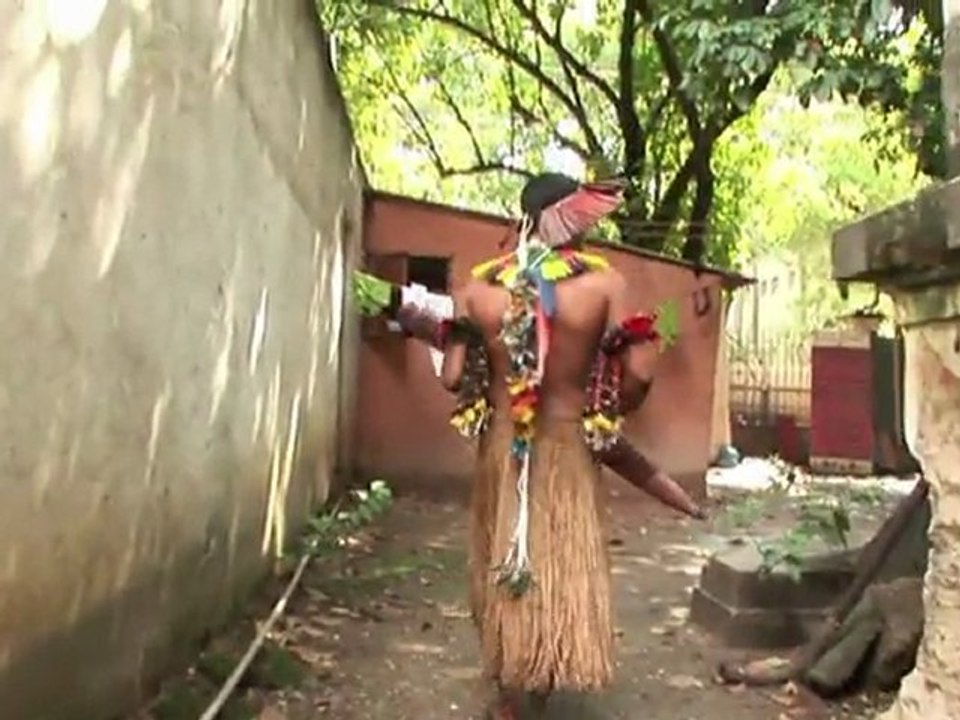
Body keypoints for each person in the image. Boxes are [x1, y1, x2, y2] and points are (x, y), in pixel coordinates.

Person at [435, 173, 681, 718]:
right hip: (569, 441)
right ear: (572, 218)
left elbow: (452, 377)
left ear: (525, 219)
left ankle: (509, 687)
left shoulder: (477, 289)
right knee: (556, 553)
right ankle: (541, 679)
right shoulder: (605, 285)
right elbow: (640, 371)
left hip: (503, 445)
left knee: (505, 549)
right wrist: (612, 407)